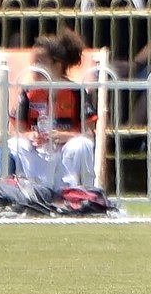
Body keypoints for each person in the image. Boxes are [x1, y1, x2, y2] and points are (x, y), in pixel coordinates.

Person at [8, 29, 97, 192]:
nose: (34, 68)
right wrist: (31, 135)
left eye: (39, 62)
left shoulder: (76, 92)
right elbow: (16, 131)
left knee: (82, 145)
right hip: (39, 152)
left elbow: (89, 134)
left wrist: (65, 136)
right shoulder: (28, 92)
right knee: (16, 144)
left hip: (65, 151)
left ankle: (74, 194)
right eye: (33, 63)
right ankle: (31, 192)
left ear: (57, 65)